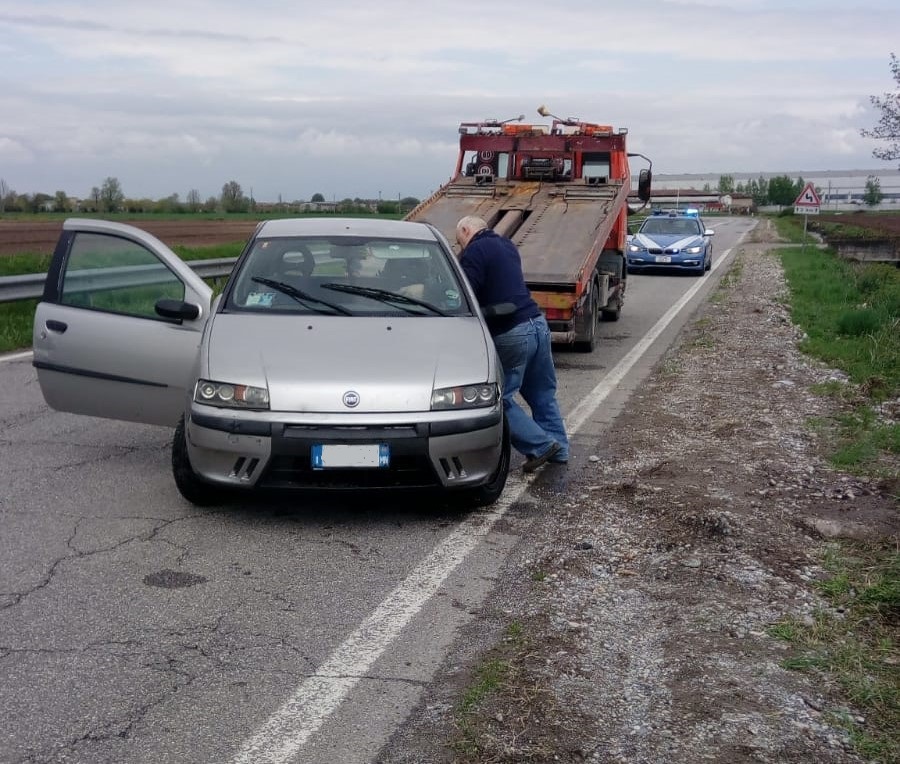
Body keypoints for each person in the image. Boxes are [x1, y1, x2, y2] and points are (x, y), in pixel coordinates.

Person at [455, 215, 569, 472]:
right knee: (542, 393)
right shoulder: (508, 246)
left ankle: (539, 446)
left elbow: (467, 294)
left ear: (465, 230)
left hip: (512, 331)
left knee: (498, 397)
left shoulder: (474, 251)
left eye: (459, 240)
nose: (461, 246)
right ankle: (560, 448)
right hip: (537, 324)